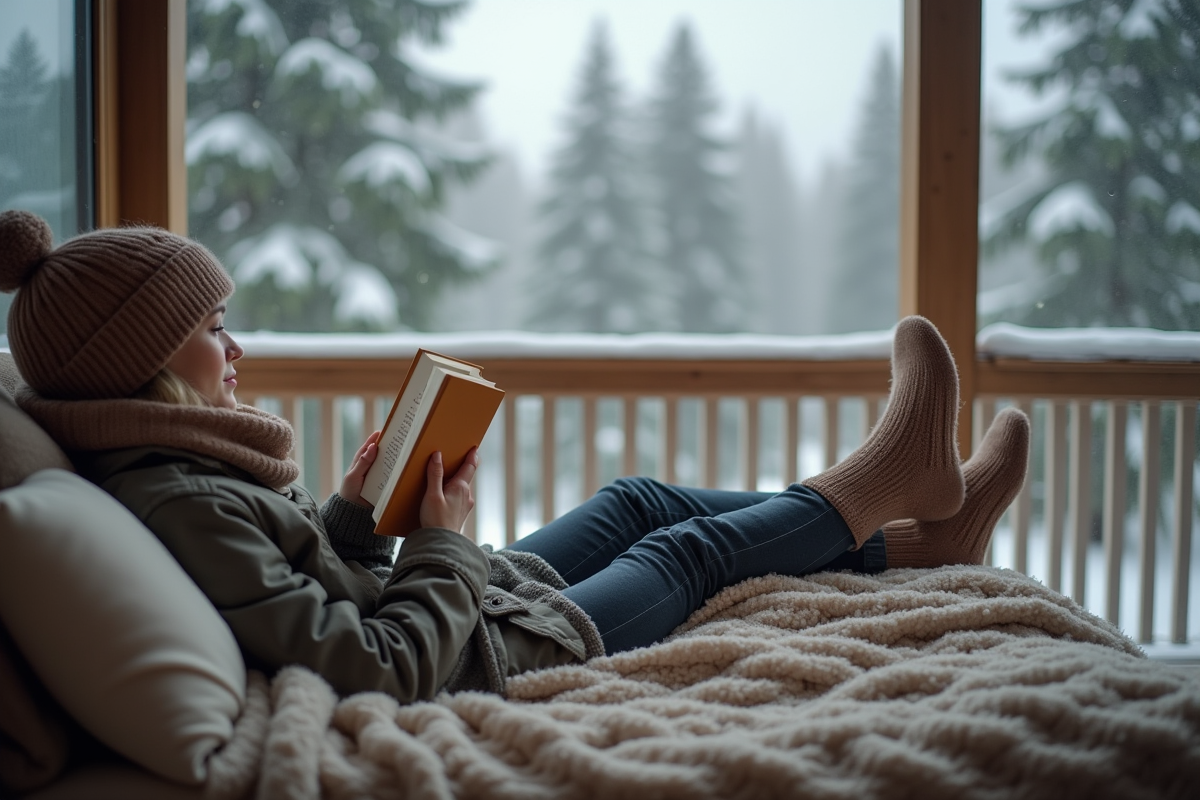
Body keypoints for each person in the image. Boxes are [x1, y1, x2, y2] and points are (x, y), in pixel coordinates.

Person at [0, 210, 1030, 703]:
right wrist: (444, 548)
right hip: (483, 655)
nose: (237, 350)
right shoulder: (178, 498)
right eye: (212, 326)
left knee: (633, 499)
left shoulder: (177, 471)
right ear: (144, 360)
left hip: (460, 606)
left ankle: (923, 533)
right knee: (687, 557)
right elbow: (367, 665)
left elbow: (296, 582)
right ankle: (888, 485)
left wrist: (357, 512)